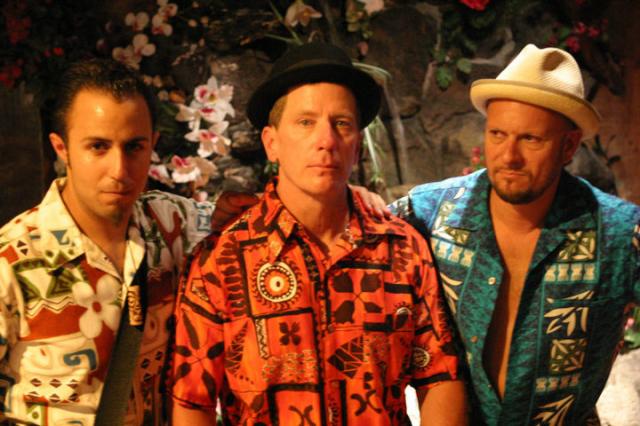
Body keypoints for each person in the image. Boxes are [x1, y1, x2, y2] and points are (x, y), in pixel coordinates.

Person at [170, 42, 469, 425]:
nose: (326, 140)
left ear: (357, 146)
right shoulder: (222, 259)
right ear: (271, 143)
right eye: (306, 122)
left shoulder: (402, 249)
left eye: (341, 123)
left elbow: (440, 375)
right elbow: (192, 398)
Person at [390, 44, 640, 424]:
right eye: (497, 134)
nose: (509, 156)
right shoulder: (429, 213)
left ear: (569, 146)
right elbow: (358, 242)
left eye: (530, 139)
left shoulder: (619, 233)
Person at [0, 59, 255, 425]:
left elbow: (246, 221)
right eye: (98, 147)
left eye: (134, 147)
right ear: (61, 147)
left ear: (152, 144)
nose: (119, 170)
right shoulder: (10, 262)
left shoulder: (173, 224)